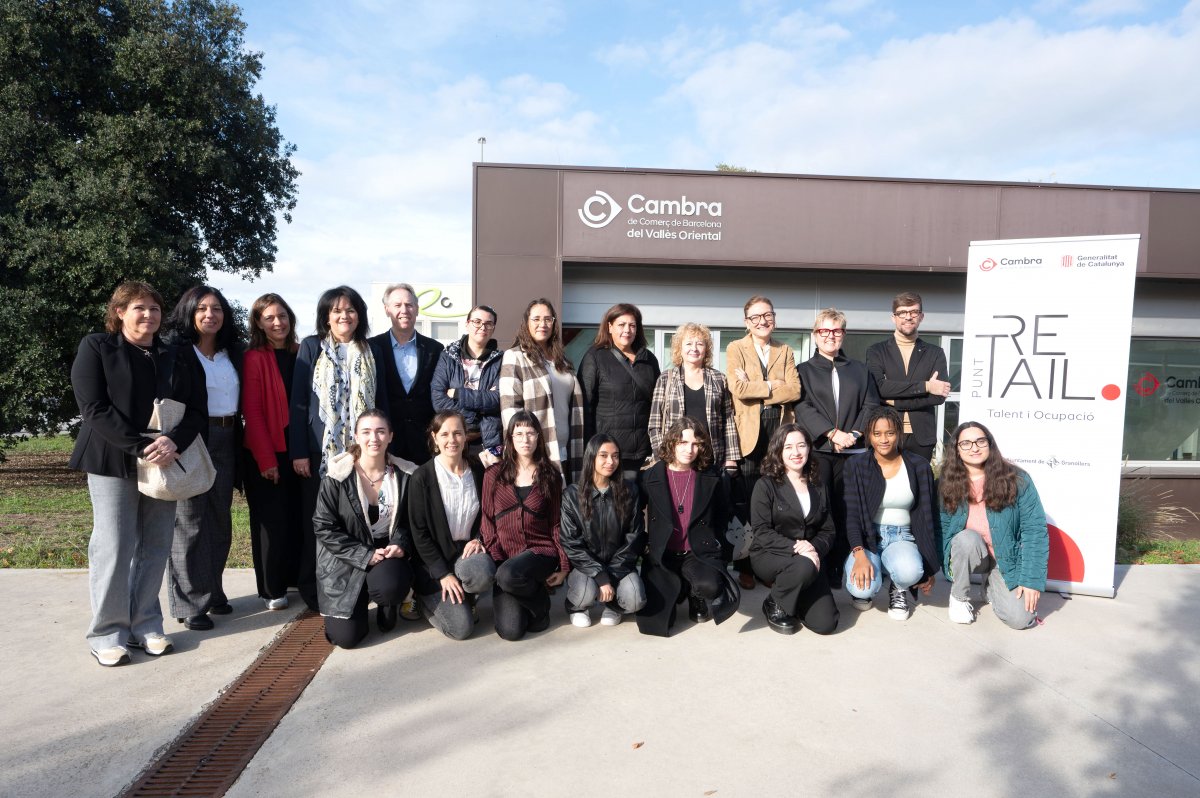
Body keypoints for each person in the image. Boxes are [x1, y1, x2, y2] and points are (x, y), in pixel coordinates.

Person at [69, 281, 205, 665]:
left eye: (155, 309)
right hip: (113, 459)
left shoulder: (176, 354)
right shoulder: (97, 347)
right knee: (114, 545)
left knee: (156, 545)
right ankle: (107, 632)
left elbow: (196, 408)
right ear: (119, 313)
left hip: (164, 462)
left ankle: (146, 624)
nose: (148, 315)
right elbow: (93, 408)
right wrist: (142, 445)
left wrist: (173, 441)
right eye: (139, 308)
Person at [291, 285, 376, 611]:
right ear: (326, 315)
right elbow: (299, 403)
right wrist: (299, 451)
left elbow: (376, 402)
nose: (344, 315)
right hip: (318, 452)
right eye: (337, 310)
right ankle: (312, 590)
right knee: (317, 522)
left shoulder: (370, 350)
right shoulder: (312, 347)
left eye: (351, 309)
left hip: (360, 453)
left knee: (353, 522)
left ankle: (353, 586)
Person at [164, 285, 243, 632]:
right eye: (202, 309)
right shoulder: (177, 351)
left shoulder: (232, 353)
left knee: (218, 519)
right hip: (191, 438)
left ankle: (212, 590)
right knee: (190, 521)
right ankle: (189, 603)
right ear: (190, 313)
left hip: (228, 437)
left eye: (217, 309)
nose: (210, 314)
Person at [312, 410, 417, 649]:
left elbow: (412, 521)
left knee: (390, 587)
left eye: (381, 431)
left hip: (387, 552)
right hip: (345, 559)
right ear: (356, 437)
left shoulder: (405, 475)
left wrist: (400, 544)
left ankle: (388, 603)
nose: (374, 438)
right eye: (367, 432)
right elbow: (323, 526)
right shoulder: (337, 477)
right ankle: (358, 605)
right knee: (346, 639)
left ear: (390, 436)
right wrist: (364, 555)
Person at [795, 307, 880, 584]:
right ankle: (822, 567)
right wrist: (832, 433)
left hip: (854, 453)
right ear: (815, 335)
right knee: (822, 510)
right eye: (824, 331)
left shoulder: (859, 370)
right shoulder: (803, 371)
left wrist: (853, 434)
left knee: (850, 510)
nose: (830, 336)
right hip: (820, 451)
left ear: (843, 334)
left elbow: (871, 405)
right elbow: (802, 406)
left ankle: (847, 566)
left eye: (836, 330)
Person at [637, 417, 740, 637]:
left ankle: (696, 594)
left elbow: (723, 515)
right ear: (672, 443)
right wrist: (645, 544)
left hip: (697, 552)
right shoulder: (649, 477)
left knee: (710, 585)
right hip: (663, 555)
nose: (689, 449)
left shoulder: (711, 476)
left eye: (695, 444)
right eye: (683, 443)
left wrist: (717, 545)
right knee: (653, 625)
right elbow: (635, 514)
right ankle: (677, 590)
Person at [940, 422, 1048, 630]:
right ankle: (959, 598)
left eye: (980, 441)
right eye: (966, 443)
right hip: (973, 553)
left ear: (990, 444)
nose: (974, 447)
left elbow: (1035, 531)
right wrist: (948, 565)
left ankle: (990, 586)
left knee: (1021, 619)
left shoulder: (1017, 479)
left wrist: (1032, 580)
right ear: (956, 449)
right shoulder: (946, 483)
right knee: (965, 539)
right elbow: (944, 529)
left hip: (1006, 559)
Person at [727, 295, 802, 589]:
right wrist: (773, 385)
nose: (762, 321)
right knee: (746, 503)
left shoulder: (785, 350)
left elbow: (794, 390)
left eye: (767, 315)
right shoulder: (736, 348)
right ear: (747, 322)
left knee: (777, 502)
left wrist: (758, 389)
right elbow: (739, 389)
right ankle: (745, 563)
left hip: (778, 431)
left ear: (774, 317)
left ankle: (770, 565)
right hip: (749, 434)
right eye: (756, 317)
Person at [842, 407, 939, 621]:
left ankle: (897, 587)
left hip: (903, 536)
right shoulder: (856, 465)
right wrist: (859, 554)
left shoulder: (918, 466)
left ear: (899, 434)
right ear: (868, 435)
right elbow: (852, 515)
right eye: (877, 434)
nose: (884, 439)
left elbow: (927, 515)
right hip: (868, 537)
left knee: (911, 572)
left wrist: (930, 565)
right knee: (862, 590)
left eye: (890, 432)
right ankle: (870, 577)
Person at [407, 411, 496, 640]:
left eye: (457, 433)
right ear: (434, 438)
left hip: (464, 555)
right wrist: (443, 574)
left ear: (466, 437)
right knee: (462, 629)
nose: (452, 439)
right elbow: (419, 533)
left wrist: (479, 538)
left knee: (482, 572)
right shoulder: (422, 477)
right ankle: (423, 600)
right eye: (444, 434)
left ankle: (468, 597)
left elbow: (488, 514)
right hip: (434, 564)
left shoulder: (478, 471)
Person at [480, 412, 569, 641]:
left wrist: (563, 566)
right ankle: (539, 599)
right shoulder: (493, 475)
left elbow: (556, 522)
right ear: (510, 438)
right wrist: (498, 559)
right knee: (511, 631)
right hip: (506, 559)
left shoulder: (551, 476)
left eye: (530, 433)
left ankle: (534, 595)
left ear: (539, 437)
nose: (525, 439)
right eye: (518, 433)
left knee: (509, 575)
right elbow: (487, 521)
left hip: (540, 551)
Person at [241, 293, 302, 611]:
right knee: (271, 522)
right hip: (268, 451)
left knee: (296, 518)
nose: (278, 322)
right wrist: (266, 460)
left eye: (282, 316)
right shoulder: (254, 357)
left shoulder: (302, 352)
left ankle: (294, 579)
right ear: (259, 324)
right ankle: (271, 588)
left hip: (299, 450)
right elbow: (252, 412)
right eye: (269, 318)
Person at [748, 424, 838, 635]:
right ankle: (774, 602)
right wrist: (798, 548)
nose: (796, 453)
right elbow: (761, 531)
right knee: (804, 566)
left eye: (801, 445)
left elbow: (828, 530)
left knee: (826, 624)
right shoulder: (765, 485)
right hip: (771, 554)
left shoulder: (818, 484)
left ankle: (795, 594)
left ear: (809, 448)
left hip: (808, 557)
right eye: (788, 447)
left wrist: (812, 548)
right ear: (778, 451)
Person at [561, 434, 647, 628]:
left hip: (621, 565)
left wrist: (611, 576)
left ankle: (613, 606)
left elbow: (634, 538)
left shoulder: (629, 491)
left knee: (635, 598)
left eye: (615, 456)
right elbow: (571, 542)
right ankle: (577, 607)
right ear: (591, 457)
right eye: (604, 455)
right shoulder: (572, 495)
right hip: (586, 567)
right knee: (584, 593)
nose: (610, 461)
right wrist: (599, 576)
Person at [499, 297, 584, 479]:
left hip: (565, 451)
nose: (542, 324)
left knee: (563, 505)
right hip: (535, 453)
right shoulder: (515, 357)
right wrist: (523, 452)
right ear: (526, 323)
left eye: (548, 319)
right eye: (536, 319)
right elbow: (510, 410)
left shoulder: (563, 362)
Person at [577, 303, 661, 482]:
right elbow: (585, 406)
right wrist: (590, 449)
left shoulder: (649, 359)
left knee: (639, 506)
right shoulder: (595, 357)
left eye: (632, 325)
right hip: (610, 454)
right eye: (621, 325)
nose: (627, 330)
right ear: (609, 326)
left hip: (645, 453)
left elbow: (658, 403)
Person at [865, 291, 951, 462]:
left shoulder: (935, 353)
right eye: (902, 313)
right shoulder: (876, 351)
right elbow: (879, 388)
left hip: (922, 437)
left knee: (920, 486)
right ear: (894, 317)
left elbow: (938, 396)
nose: (908, 317)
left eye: (914, 312)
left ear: (921, 316)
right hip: (886, 433)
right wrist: (925, 386)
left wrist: (895, 401)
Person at [369, 283, 444, 464]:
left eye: (409, 305)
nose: (404, 310)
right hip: (385, 440)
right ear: (387, 310)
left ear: (417, 309)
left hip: (423, 441)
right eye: (397, 305)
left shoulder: (435, 349)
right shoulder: (371, 348)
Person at [648, 322, 740, 469]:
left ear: (706, 349)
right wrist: (663, 456)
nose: (694, 349)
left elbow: (728, 420)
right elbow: (654, 423)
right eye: (689, 344)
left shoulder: (719, 379)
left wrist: (731, 458)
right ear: (680, 348)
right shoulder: (666, 379)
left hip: (711, 457)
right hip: (675, 460)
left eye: (700, 344)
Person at [431, 304, 503, 467]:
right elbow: (438, 399)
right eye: (477, 321)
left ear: (493, 328)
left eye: (488, 323)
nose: (482, 327)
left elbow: (497, 399)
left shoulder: (501, 361)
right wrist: (470, 421)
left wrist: (458, 394)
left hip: (486, 440)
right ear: (467, 324)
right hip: (452, 438)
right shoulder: (448, 356)